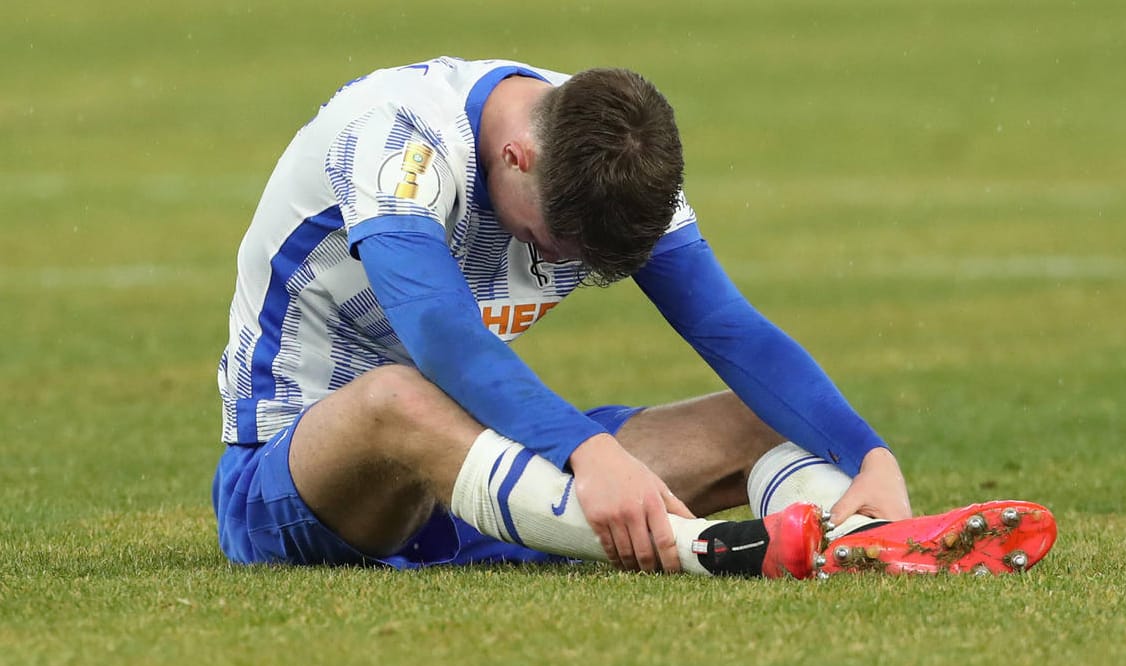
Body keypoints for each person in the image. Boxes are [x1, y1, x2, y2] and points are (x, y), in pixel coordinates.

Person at [212, 56, 1055, 579]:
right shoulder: (398, 141)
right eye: (558, 242)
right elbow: (440, 334)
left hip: (493, 482)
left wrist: (867, 452)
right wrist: (590, 450)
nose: (564, 265)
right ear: (517, 157)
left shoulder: (613, 152)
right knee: (394, 397)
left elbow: (730, 330)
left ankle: (854, 541)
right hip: (296, 482)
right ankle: (714, 553)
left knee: (756, 421)